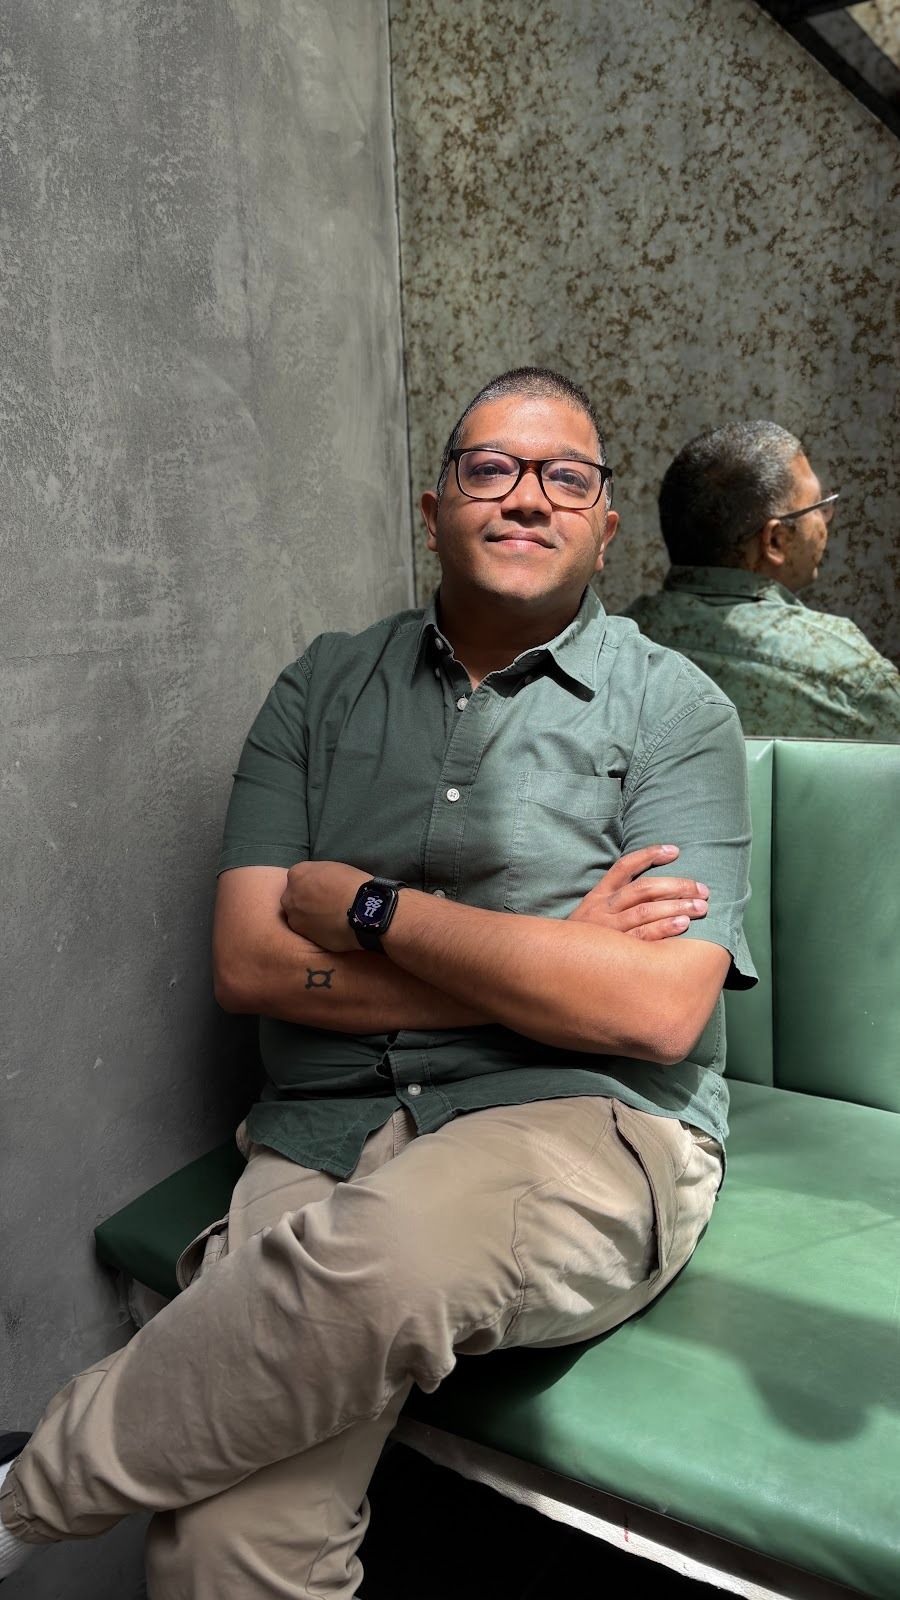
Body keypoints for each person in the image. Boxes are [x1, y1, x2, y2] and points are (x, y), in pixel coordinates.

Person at [0, 368, 756, 1600]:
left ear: (607, 523)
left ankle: (28, 1494)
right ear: (433, 505)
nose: (527, 498)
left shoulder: (676, 711)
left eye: (566, 476)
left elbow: (657, 1008)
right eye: (489, 469)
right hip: (327, 1119)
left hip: (581, 1113)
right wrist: (553, 954)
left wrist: (374, 911)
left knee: (394, 1249)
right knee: (223, 1540)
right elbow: (252, 962)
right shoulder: (321, 687)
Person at [624, 421, 900, 740]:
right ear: (775, 542)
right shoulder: (851, 676)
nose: (825, 523)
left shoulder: (612, 651)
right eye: (818, 507)